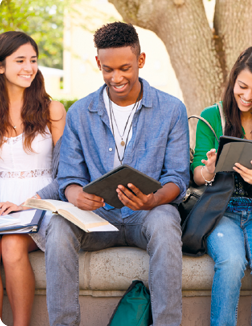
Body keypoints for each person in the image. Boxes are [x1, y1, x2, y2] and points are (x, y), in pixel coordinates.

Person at [45, 22, 189, 325]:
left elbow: (177, 176)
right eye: (108, 69)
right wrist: (76, 195)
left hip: (146, 215)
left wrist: (153, 200)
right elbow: (68, 176)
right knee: (58, 227)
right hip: (99, 219)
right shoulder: (80, 113)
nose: (117, 77)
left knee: (166, 221)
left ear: (141, 60)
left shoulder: (171, 109)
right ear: (98, 63)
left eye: (125, 68)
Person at [191, 45, 252, 326]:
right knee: (231, 264)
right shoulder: (212, 117)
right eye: (242, 86)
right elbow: (196, 173)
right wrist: (208, 169)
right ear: (233, 79)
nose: (247, 96)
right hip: (221, 211)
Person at [0, 31, 65, 326]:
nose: (29, 67)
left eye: (33, 60)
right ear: (1, 66)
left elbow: (66, 170)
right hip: (2, 204)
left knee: (11, 245)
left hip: (41, 202)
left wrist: (30, 203)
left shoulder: (52, 110)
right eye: (20, 60)